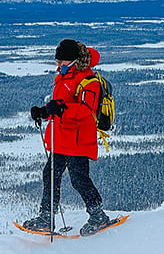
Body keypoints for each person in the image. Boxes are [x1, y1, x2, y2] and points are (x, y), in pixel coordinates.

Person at [23, 39, 111, 235]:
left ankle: (98, 215)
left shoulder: (89, 81)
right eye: (57, 62)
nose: (58, 66)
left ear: (72, 61)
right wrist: (44, 111)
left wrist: (60, 108)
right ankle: (46, 217)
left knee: (79, 179)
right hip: (61, 138)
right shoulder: (64, 79)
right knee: (50, 175)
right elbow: (60, 104)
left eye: (61, 63)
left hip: (79, 139)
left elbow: (86, 110)